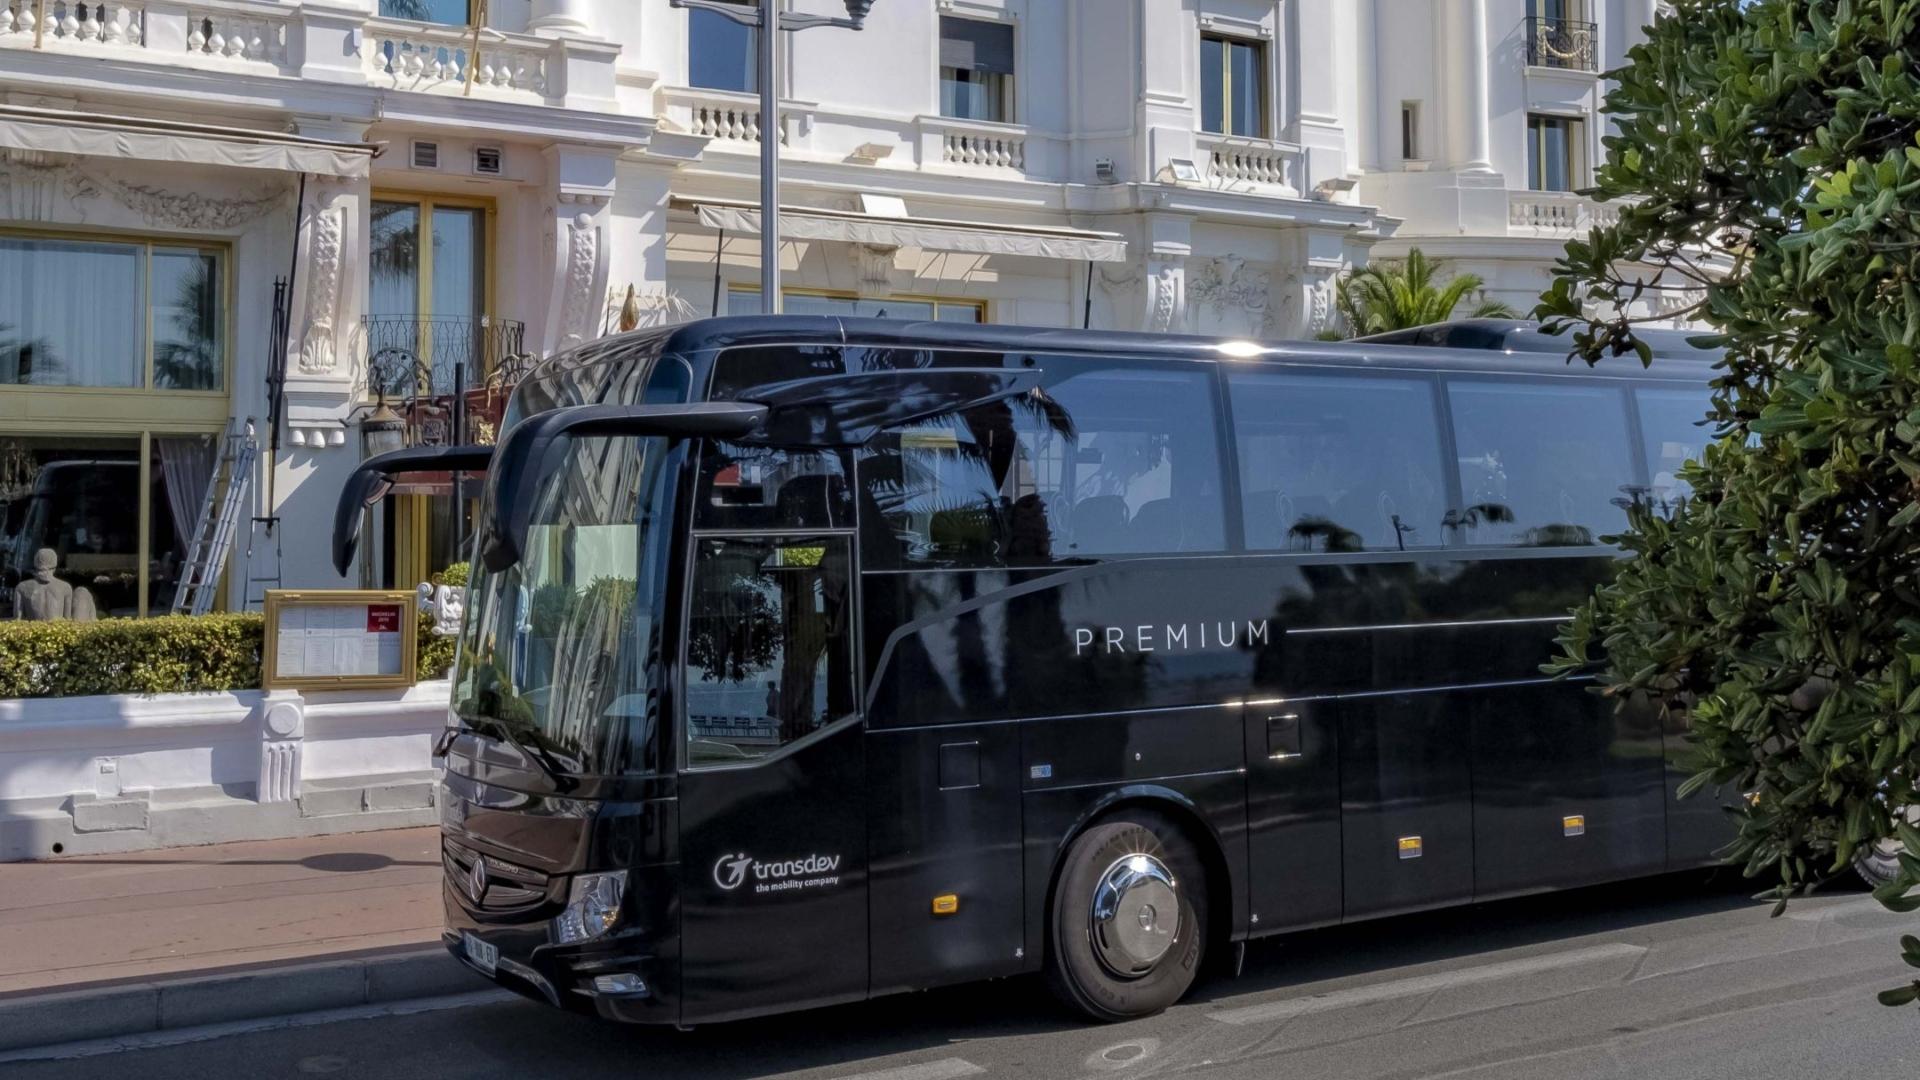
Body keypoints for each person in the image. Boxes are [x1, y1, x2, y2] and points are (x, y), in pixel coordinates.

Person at [14, 547, 73, 620]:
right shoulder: (65, 587)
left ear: (35, 564)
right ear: (54, 567)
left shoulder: (22, 587)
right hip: (56, 631)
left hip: (32, 630)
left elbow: (17, 620)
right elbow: (68, 620)